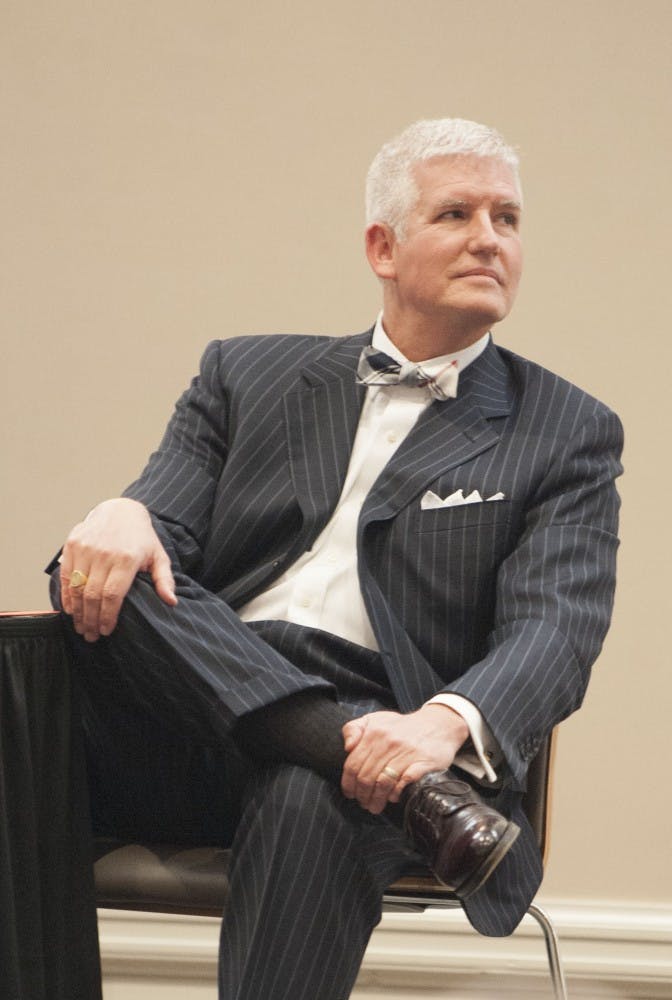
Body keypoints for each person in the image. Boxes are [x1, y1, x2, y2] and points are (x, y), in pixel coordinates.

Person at [49, 118, 622, 999]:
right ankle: (381, 772)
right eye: (457, 214)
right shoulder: (246, 374)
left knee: (312, 789)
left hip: (388, 729)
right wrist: (124, 510)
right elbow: (156, 539)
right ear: (382, 248)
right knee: (87, 572)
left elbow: (557, 628)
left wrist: (437, 729)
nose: (489, 239)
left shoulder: (566, 429)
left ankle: (345, 755)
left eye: (507, 218)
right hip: (190, 715)